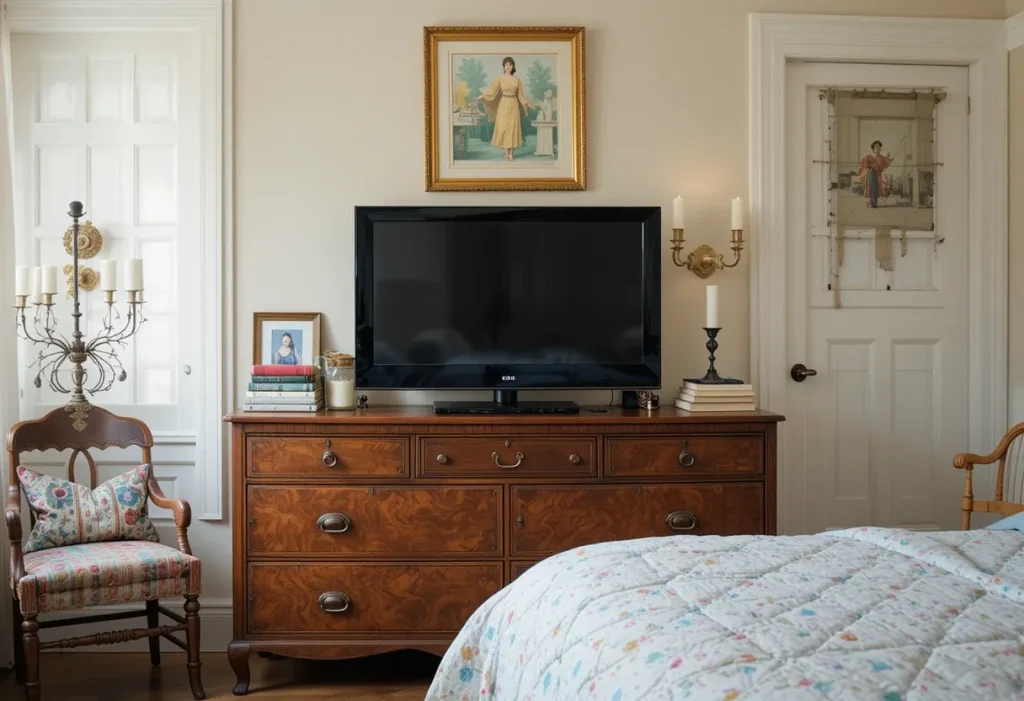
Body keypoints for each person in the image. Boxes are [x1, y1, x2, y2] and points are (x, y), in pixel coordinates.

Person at [472, 57, 534, 161]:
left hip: (514, 104)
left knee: (512, 128)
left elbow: (520, 96)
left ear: (513, 66)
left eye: (510, 65)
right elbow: (492, 91)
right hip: (504, 104)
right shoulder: (500, 78)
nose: (508, 67)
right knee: (503, 127)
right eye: (506, 65)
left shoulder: (517, 80)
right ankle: (506, 152)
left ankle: (510, 153)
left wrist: (526, 102)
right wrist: (480, 97)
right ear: (504, 67)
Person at [858, 140, 892, 208]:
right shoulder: (868, 157)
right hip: (870, 174)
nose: (878, 148)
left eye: (879, 147)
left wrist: (888, 159)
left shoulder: (882, 157)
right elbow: (862, 165)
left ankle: (874, 203)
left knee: (878, 189)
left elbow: (885, 165)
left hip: (878, 175)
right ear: (873, 148)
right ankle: (871, 203)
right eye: (876, 147)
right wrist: (868, 169)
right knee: (871, 188)